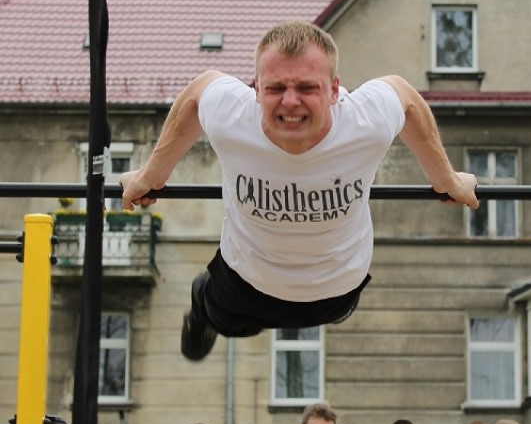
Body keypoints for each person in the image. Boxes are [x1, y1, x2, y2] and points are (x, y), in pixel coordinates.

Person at [119, 20, 479, 360]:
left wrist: (447, 179)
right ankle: (203, 317)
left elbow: (407, 98)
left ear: (335, 89)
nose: (290, 102)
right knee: (223, 316)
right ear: (256, 90)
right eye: (276, 88)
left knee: (236, 313)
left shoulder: (363, 121)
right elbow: (197, 93)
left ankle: (213, 308)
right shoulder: (233, 115)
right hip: (246, 282)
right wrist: (150, 176)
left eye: (307, 88)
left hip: (335, 291)